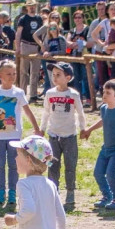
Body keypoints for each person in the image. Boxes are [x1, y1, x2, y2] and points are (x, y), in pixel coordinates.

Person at [0, 60, 41, 205]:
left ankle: (12, 192)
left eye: (14, 73)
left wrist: (36, 128)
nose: (12, 76)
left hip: (14, 136)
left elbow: (27, 111)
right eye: (8, 74)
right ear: (0, 76)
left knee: (14, 164)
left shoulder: (19, 93)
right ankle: (1, 192)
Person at [42, 62, 86, 206]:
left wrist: (83, 129)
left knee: (70, 165)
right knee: (52, 164)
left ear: (68, 77)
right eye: (53, 75)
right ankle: (53, 191)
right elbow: (46, 112)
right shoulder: (50, 93)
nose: (55, 77)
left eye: (58, 75)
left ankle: (70, 191)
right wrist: (42, 129)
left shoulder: (73, 94)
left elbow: (80, 113)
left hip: (69, 136)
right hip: (53, 135)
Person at [82, 79, 115, 210]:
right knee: (98, 173)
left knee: (111, 174)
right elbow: (103, 121)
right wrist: (89, 130)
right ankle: (107, 196)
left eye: (108, 92)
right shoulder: (103, 108)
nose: (104, 95)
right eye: (103, 92)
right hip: (105, 148)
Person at [15, 0, 45, 100]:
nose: (32, 7)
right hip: (26, 45)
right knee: (24, 71)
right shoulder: (23, 19)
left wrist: (42, 46)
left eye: (33, 6)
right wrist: (18, 47)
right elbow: (18, 33)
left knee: (35, 72)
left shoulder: (39, 18)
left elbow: (42, 33)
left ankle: (33, 94)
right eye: (30, 6)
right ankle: (22, 93)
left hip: (36, 46)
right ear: (27, 7)